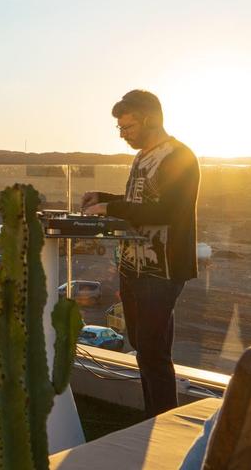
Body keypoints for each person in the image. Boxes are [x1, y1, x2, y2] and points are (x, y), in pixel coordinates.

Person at [82, 89, 199, 418]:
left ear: (149, 119)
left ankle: (161, 424)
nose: (123, 135)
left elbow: (166, 210)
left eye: (127, 127)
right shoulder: (142, 156)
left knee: (153, 353)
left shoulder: (180, 156)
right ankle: (155, 419)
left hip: (162, 270)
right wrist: (102, 197)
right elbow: (141, 200)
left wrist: (111, 206)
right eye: (120, 129)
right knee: (144, 347)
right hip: (133, 266)